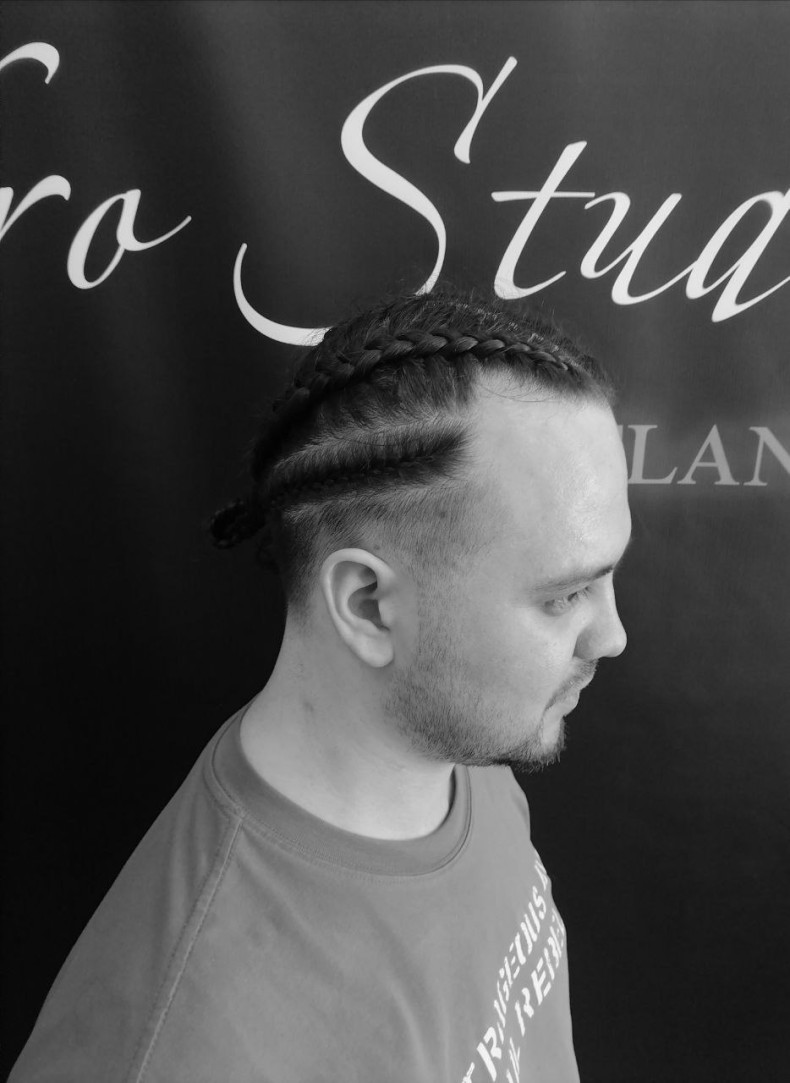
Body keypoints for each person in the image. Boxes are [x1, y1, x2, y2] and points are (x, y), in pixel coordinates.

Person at [10, 289, 630, 1082]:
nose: (613, 636)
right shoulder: (187, 1045)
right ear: (368, 605)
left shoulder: (464, 741)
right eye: (564, 596)